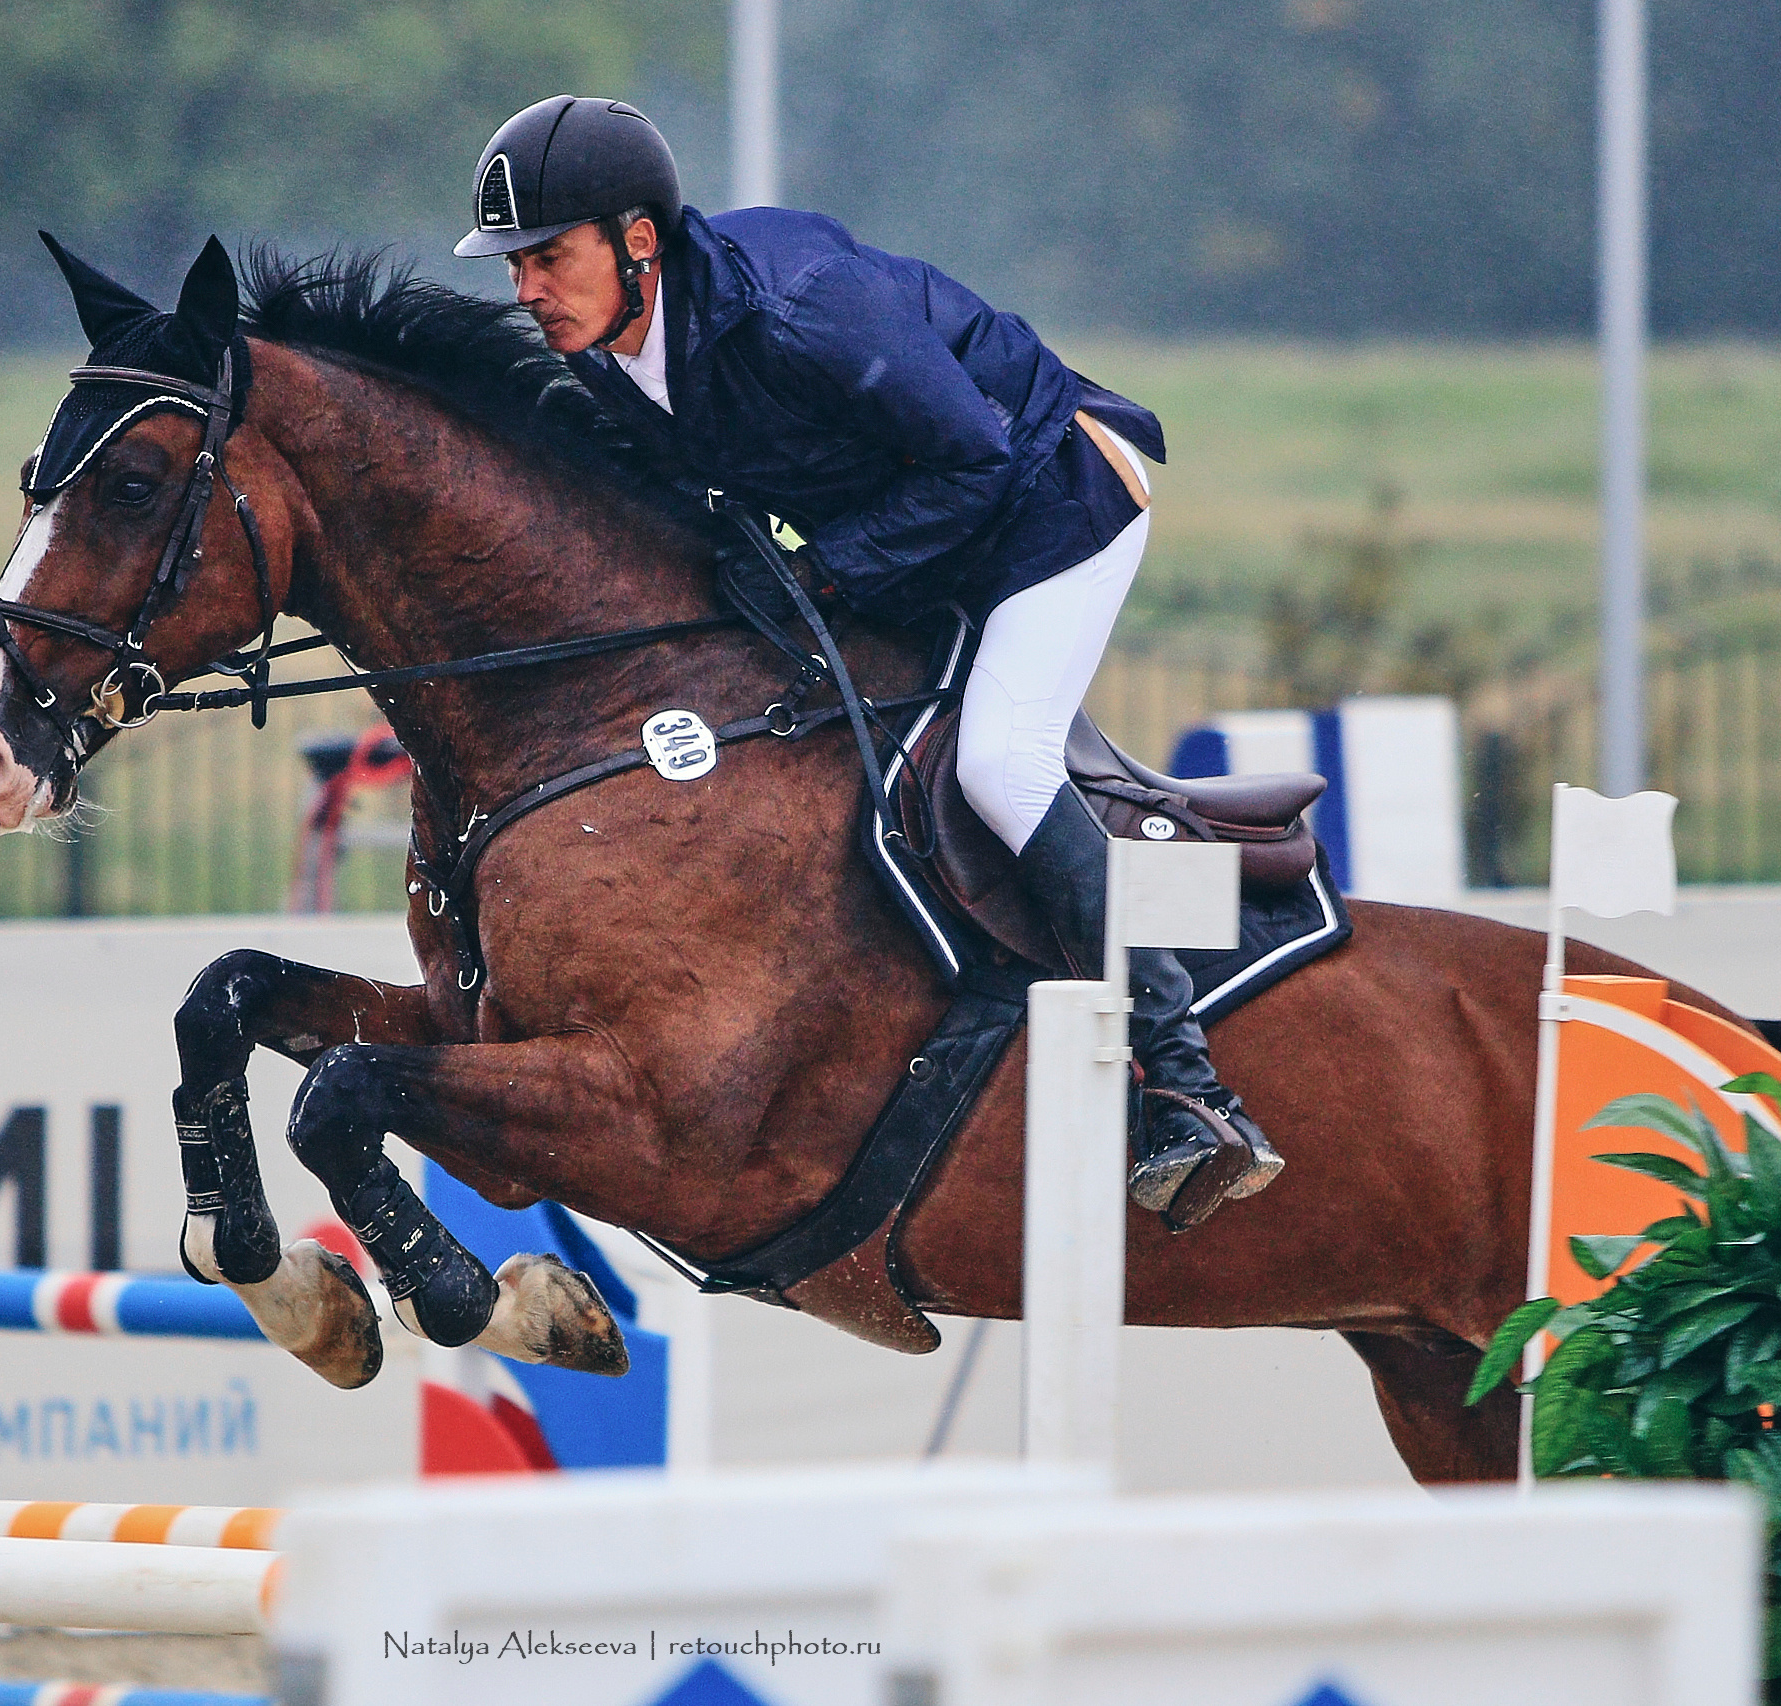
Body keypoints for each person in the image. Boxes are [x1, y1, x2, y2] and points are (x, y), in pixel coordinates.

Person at [453, 95, 1282, 1225]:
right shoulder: (606, 353)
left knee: (998, 759)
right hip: (926, 528)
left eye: (547, 256)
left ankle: (1184, 1078)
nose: (525, 289)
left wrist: (830, 575)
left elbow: (975, 462)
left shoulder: (799, 305)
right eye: (513, 264)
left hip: (1055, 497)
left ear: (637, 241)